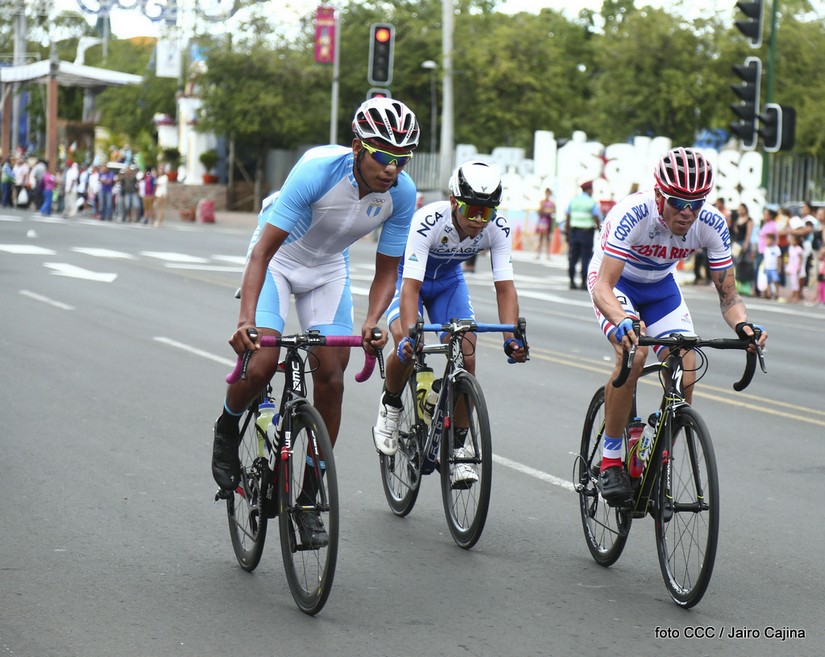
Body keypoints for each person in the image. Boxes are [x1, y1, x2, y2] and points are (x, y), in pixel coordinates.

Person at [211, 97, 421, 545]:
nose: (391, 169)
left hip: (327, 268)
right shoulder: (316, 171)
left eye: (402, 159)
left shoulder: (401, 193)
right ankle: (228, 426)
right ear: (357, 147)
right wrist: (246, 319)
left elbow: (388, 270)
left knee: (332, 374)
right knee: (263, 361)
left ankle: (308, 496)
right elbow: (262, 254)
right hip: (279, 261)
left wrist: (373, 319)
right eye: (383, 156)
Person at [588, 147, 767, 504]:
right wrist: (623, 319)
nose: (687, 213)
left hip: (661, 289)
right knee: (634, 356)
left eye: (696, 203)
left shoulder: (711, 223)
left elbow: (728, 295)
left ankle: (654, 455)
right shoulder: (632, 213)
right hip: (617, 284)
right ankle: (610, 459)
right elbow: (603, 286)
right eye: (677, 202)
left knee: (687, 367)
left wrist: (743, 326)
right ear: (658, 195)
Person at [371, 161, 528, 478]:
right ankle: (390, 405)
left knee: (468, 356)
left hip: (448, 284)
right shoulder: (428, 221)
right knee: (408, 343)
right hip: (409, 280)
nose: (478, 220)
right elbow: (411, 287)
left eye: (486, 213)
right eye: (471, 210)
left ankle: (457, 446)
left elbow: (505, 288)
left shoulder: (496, 226)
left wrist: (511, 337)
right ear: (455, 201)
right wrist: (411, 334)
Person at [566, 180, 602, 289]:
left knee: (573, 257)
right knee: (585, 258)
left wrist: (567, 233)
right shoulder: (591, 202)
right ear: (589, 190)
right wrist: (600, 229)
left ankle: (572, 281)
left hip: (574, 232)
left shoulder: (574, 200)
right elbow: (597, 217)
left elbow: (568, 216)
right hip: (587, 233)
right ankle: (583, 283)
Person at [536, 187, 556, 259]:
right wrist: (544, 208)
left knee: (548, 238)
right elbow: (540, 211)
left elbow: (553, 211)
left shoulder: (552, 203)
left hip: (548, 221)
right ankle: (538, 254)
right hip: (542, 221)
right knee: (541, 238)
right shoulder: (542, 202)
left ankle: (548, 255)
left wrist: (546, 210)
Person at [761, 232, 781, 300]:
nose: (767, 241)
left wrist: (779, 267)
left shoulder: (776, 248)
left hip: (774, 268)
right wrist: (764, 267)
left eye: (769, 239)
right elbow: (765, 259)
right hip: (767, 268)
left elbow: (779, 258)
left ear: (773, 241)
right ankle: (768, 294)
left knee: (776, 280)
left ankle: (777, 293)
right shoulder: (766, 249)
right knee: (768, 281)